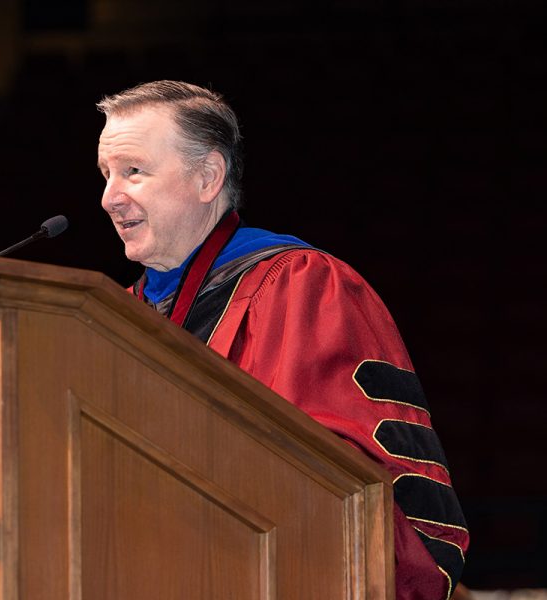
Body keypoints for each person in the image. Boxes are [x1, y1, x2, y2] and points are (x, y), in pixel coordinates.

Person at [97, 80, 469, 600]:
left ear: (207, 177)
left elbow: (341, 478)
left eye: (133, 171)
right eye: (106, 174)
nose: (109, 197)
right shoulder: (106, 320)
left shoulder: (302, 286)